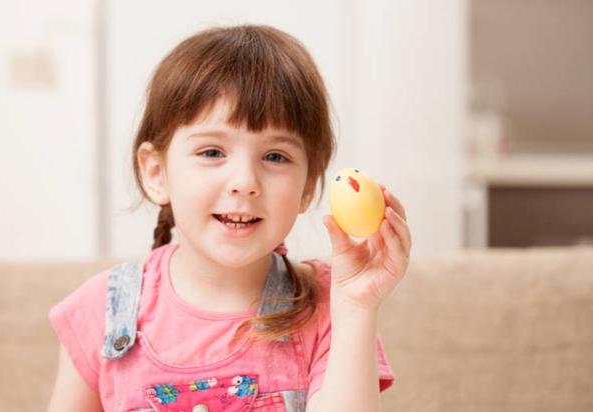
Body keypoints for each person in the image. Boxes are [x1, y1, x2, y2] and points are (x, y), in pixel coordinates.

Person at [47, 24, 411, 412]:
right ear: (156, 173)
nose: (244, 182)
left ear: (308, 187)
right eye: (211, 152)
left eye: (275, 157)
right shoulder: (101, 309)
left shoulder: (332, 304)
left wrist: (356, 306)